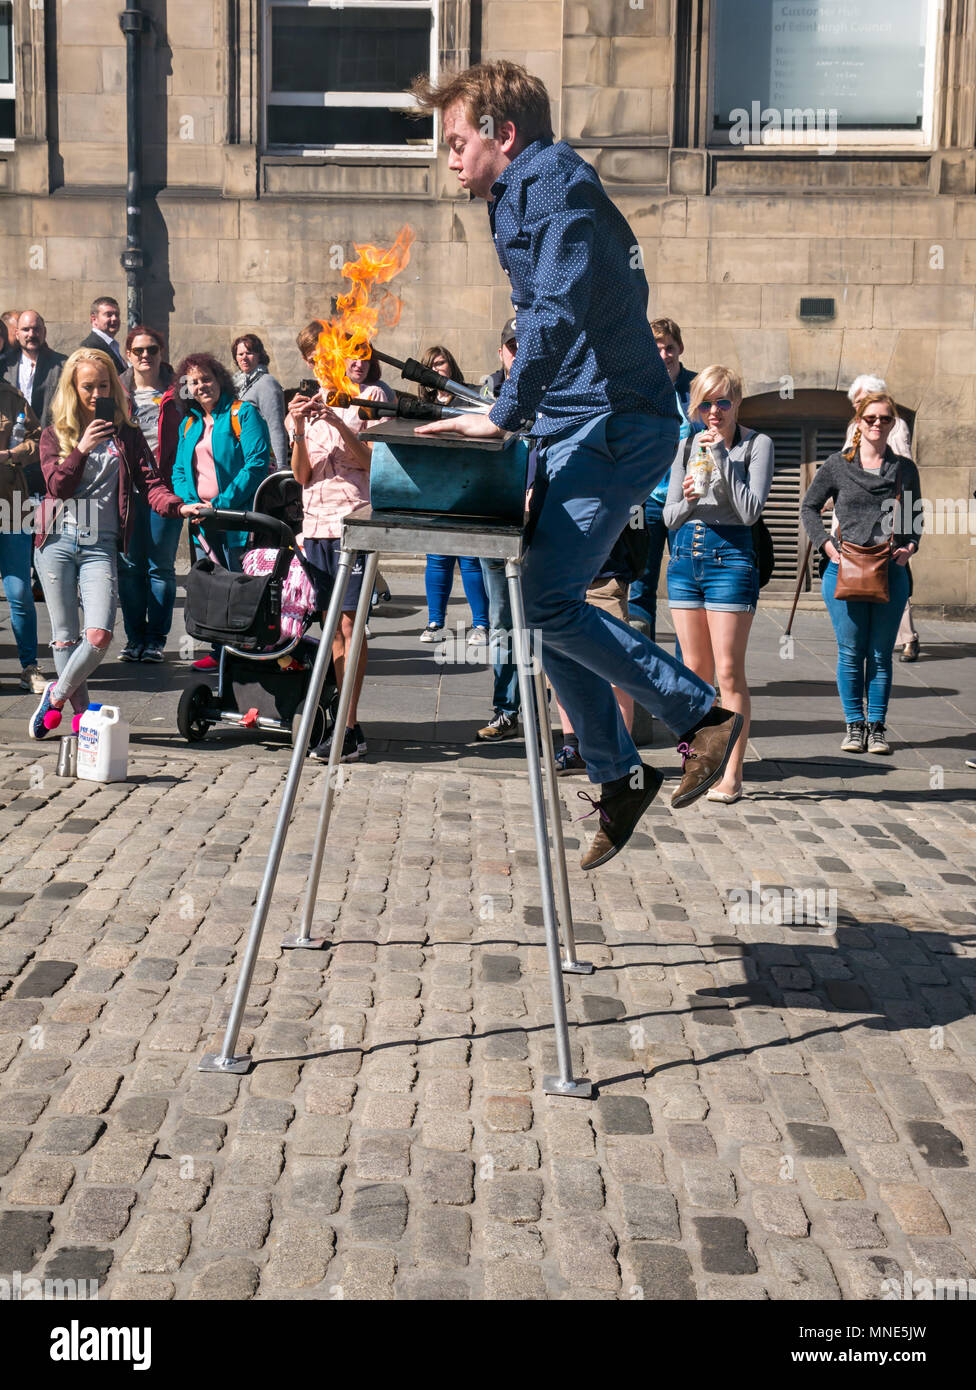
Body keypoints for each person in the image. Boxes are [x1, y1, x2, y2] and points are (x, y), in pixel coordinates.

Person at [412, 61, 742, 870]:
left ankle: (700, 715)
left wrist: (502, 412)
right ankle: (620, 775)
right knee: (539, 601)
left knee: (549, 599)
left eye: (458, 141)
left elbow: (554, 312)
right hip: (579, 426)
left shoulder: (551, 179)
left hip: (613, 427)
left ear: (505, 135)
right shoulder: (520, 195)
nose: (450, 157)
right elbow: (555, 315)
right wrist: (516, 412)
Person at [29, 349, 208, 739]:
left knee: (99, 635)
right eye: (87, 387)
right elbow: (56, 486)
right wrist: (81, 448)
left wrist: (179, 508)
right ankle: (81, 716)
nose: (96, 394)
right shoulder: (54, 433)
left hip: (100, 543)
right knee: (65, 635)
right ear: (73, 390)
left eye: (104, 386)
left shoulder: (125, 433)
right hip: (56, 539)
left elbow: (152, 483)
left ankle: (55, 698)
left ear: (115, 387)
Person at [662, 367, 774, 803]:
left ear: (737, 403)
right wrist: (689, 499)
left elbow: (749, 512)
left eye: (723, 403)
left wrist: (724, 459)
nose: (714, 412)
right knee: (696, 675)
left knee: (728, 672)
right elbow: (669, 516)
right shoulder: (685, 444)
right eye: (706, 404)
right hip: (686, 558)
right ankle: (697, 765)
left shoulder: (756, 444)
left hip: (732, 558)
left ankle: (732, 773)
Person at [287, 322, 393, 763]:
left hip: (354, 520)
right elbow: (301, 475)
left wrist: (337, 420)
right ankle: (348, 726)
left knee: (351, 627)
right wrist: (297, 426)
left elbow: (371, 461)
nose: (318, 363)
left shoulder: (369, 397)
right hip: (315, 525)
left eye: (322, 353)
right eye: (311, 358)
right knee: (332, 631)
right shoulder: (310, 399)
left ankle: (348, 727)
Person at [801, 390, 922, 755]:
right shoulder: (839, 464)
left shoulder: (903, 469)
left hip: (890, 570)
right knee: (852, 651)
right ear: (858, 421)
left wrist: (909, 548)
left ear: (893, 424)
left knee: (881, 653)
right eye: (871, 418)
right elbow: (809, 507)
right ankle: (854, 726)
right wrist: (826, 545)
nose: (877, 425)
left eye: (885, 419)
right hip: (844, 569)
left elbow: (914, 518)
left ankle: (878, 728)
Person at [171, 352, 272, 671]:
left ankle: (246, 650)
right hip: (202, 521)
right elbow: (179, 471)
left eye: (207, 379)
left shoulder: (243, 414)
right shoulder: (189, 423)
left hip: (238, 520)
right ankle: (219, 651)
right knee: (213, 588)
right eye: (194, 382)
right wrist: (192, 505)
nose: (201, 386)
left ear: (220, 379)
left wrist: (219, 506)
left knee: (240, 587)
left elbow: (256, 464)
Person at [629, 318, 699, 641]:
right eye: (657, 348)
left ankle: (690, 676)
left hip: (686, 503)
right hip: (646, 501)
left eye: (670, 347)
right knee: (640, 584)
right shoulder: (636, 388)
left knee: (687, 587)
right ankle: (643, 675)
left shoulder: (697, 389)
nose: (664, 354)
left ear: (680, 349)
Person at [116, 326, 182, 662]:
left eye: (152, 350)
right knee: (129, 567)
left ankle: (155, 639)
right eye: (139, 350)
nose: (146, 356)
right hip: (127, 489)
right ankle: (133, 639)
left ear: (161, 352)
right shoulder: (116, 391)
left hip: (166, 489)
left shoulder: (179, 390)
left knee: (161, 567)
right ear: (128, 354)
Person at [416, 346, 490, 646]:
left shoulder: (470, 397)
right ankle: (435, 623)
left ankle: (481, 624)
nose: (436, 368)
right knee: (437, 559)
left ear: (451, 365)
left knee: (470, 559)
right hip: (435, 489)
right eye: (430, 365)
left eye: (441, 362)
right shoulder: (419, 403)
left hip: (469, 486)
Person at [845, 374, 919, 663]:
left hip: (888, 515)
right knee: (863, 579)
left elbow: (902, 463)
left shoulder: (894, 425)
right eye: (856, 403)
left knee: (888, 575)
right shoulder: (854, 426)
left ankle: (908, 637)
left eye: (861, 400)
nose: (858, 407)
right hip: (853, 519)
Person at [476, 320, 524, 742]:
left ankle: (553, 713)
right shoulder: (483, 395)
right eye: (511, 345)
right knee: (501, 622)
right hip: (492, 520)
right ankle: (506, 709)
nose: (517, 351)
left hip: (539, 524)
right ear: (501, 352)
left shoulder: (551, 393)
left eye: (524, 344)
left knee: (543, 621)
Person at [0, 380, 48, 692]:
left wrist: (11, 453)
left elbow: (37, 440)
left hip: (11, 506)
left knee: (19, 594)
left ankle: (30, 667)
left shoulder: (12, 396)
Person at [232, 333, 289, 472]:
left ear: (259, 356)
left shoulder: (266, 383)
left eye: (249, 353)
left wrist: (281, 467)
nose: (244, 357)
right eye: (240, 354)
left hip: (262, 461)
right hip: (243, 459)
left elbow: (275, 426)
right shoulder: (238, 385)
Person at [3, 311, 67, 429]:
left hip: (49, 440)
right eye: (26, 329)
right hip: (12, 441)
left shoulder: (63, 365)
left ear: (45, 332)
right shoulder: (4, 365)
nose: (31, 334)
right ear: (17, 334)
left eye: (36, 329)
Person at [80, 297, 126, 372]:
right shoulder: (90, 348)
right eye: (109, 315)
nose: (114, 318)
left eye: (117, 315)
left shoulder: (113, 345)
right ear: (94, 319)